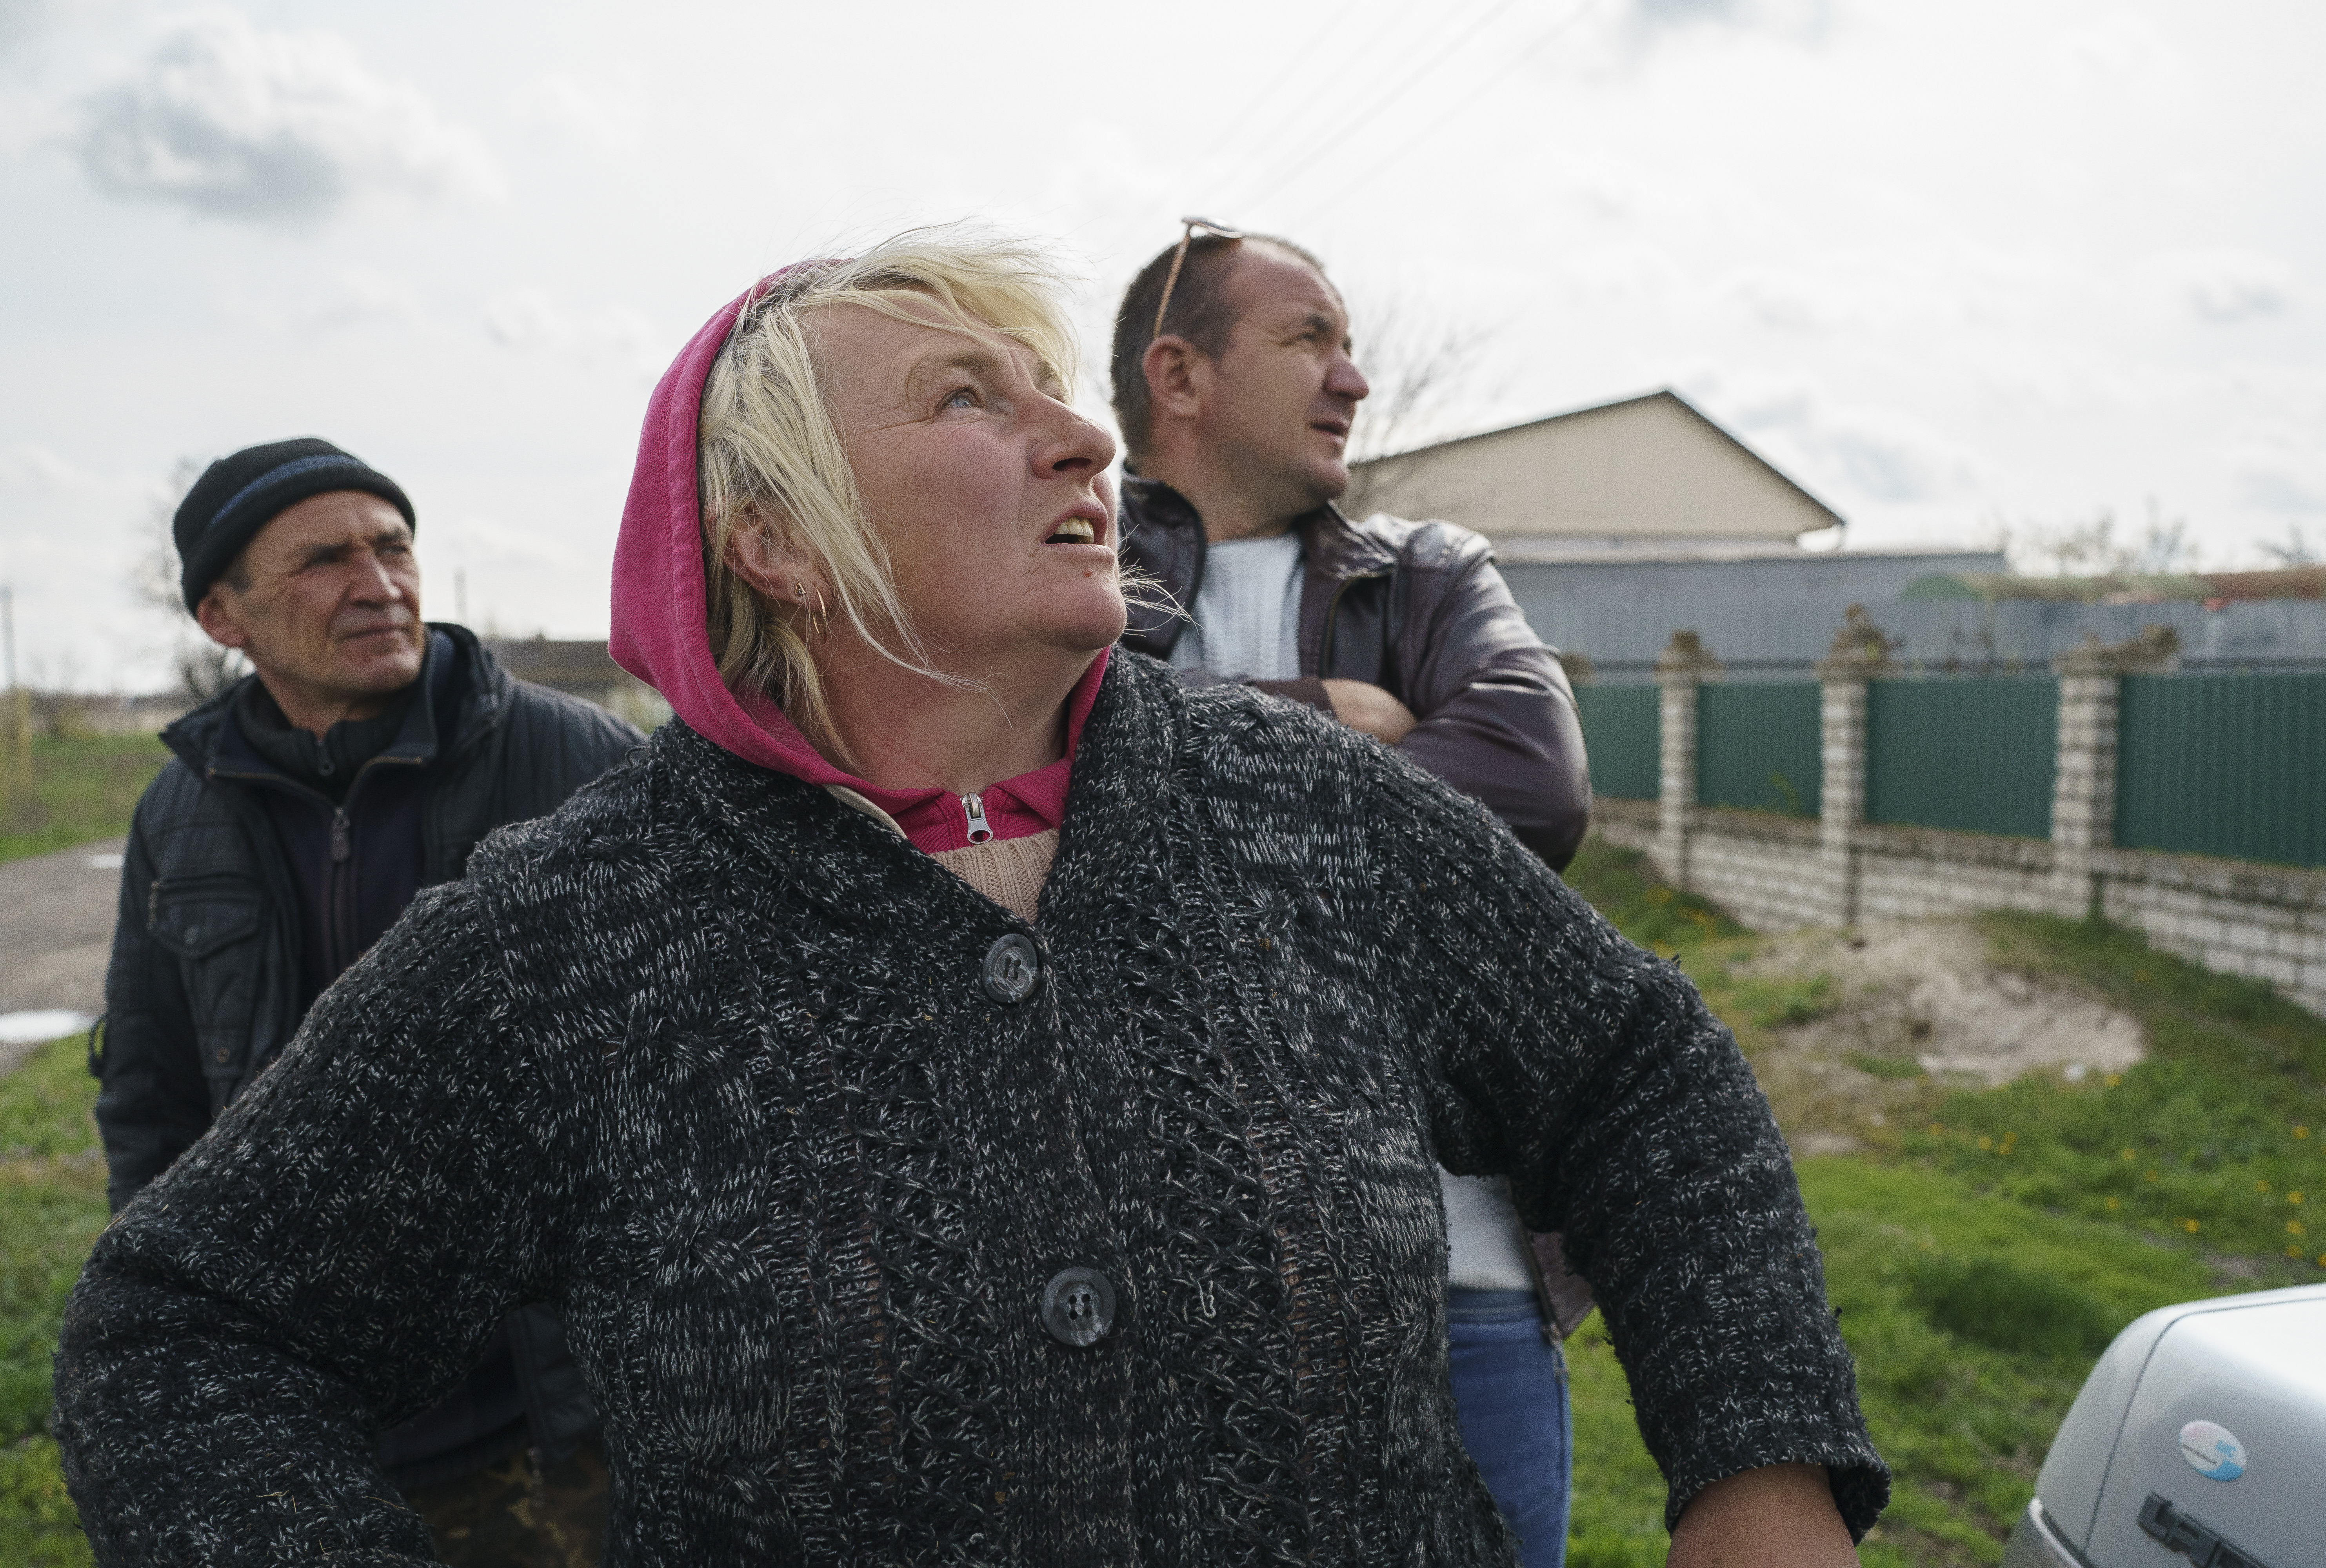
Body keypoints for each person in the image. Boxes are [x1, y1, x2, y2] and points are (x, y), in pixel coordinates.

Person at [57, 234, 1886, 1566]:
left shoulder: (1302, 807)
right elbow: (185, 1327)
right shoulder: (581, 928)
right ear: (772, 536)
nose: (1085, 441)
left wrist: (1761, 1471)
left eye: (1057, 399)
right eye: (965, 400)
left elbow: (1637, 1072)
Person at [1110, 221, 1591, 1566]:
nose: (1355, 378)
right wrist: (1318, 711)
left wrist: (1181, 789)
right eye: (1309, 338)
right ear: (1182, 375)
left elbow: (1535, 782)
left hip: (1463, 1280)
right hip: (1163, 1278)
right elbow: (1041, 784)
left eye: (1350, 343)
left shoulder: (1428, 572)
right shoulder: (1079, 580)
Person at [87, 437, 642, 1565]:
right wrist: (197, 1350)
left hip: (556, 1417)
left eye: (393, 547)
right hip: (318, 1424)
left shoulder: (577, 758)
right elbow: (155, 1101)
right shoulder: (180, 812)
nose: (379, 582)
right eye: (323, 560)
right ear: (221, 618)